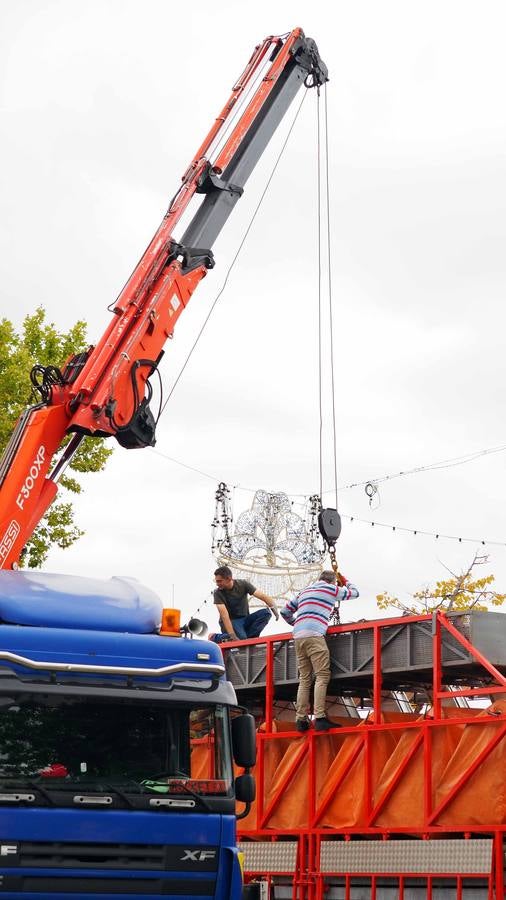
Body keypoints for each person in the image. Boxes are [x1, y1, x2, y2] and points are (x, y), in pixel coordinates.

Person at [281, 570, 359, 731]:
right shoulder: (331, 589)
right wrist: (344, 580)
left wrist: (297, 623)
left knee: (304, 679)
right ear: (332, 582)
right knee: (322, 675)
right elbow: (355, 593)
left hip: (298, 636)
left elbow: (285, 611)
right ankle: (320, 717)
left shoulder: (305, 591)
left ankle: (301, 719)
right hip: (315, 635)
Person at [210, 565, 279, 643]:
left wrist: (274, 609)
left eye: (219, 581)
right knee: (241, 639)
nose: (217, 584)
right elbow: (224, 616)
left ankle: (249, 638)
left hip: (245, 619)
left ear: (229, 579)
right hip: (231, 621)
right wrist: (232, 636)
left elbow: (262, 596)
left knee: (266, 613)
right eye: (216, 581)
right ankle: (216, 637)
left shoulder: (243, 584)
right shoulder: (218, 593)